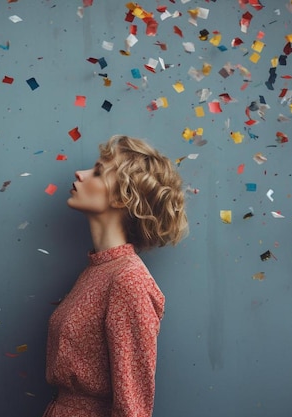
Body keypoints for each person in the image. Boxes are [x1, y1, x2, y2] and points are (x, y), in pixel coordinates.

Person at [42, 135, 189, 417]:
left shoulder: (128, 279)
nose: (79, 174)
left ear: (124, 196)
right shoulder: (96, 271)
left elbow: (132, 406)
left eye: (98, 172)